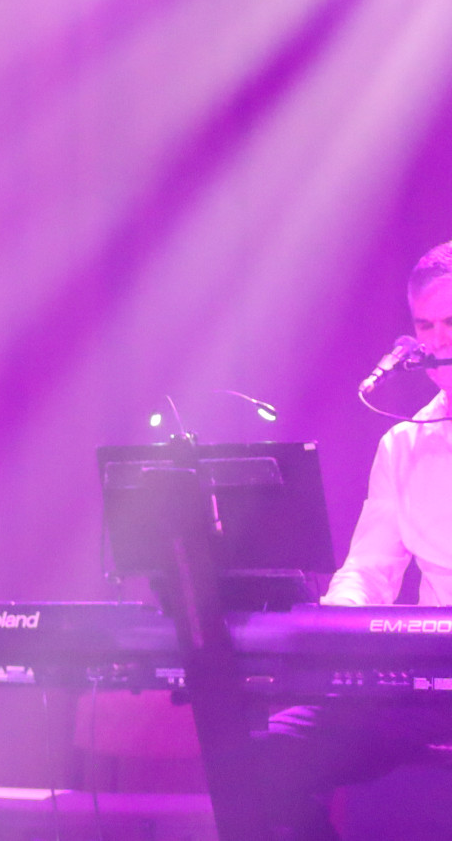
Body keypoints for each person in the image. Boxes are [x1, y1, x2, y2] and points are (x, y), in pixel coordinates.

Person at [256, 241, 452, 840]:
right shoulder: (404, 443)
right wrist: (329, 627)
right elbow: (369, 569)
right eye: (426, 326)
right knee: (259, 759)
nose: (439, 341)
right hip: (431, 685)